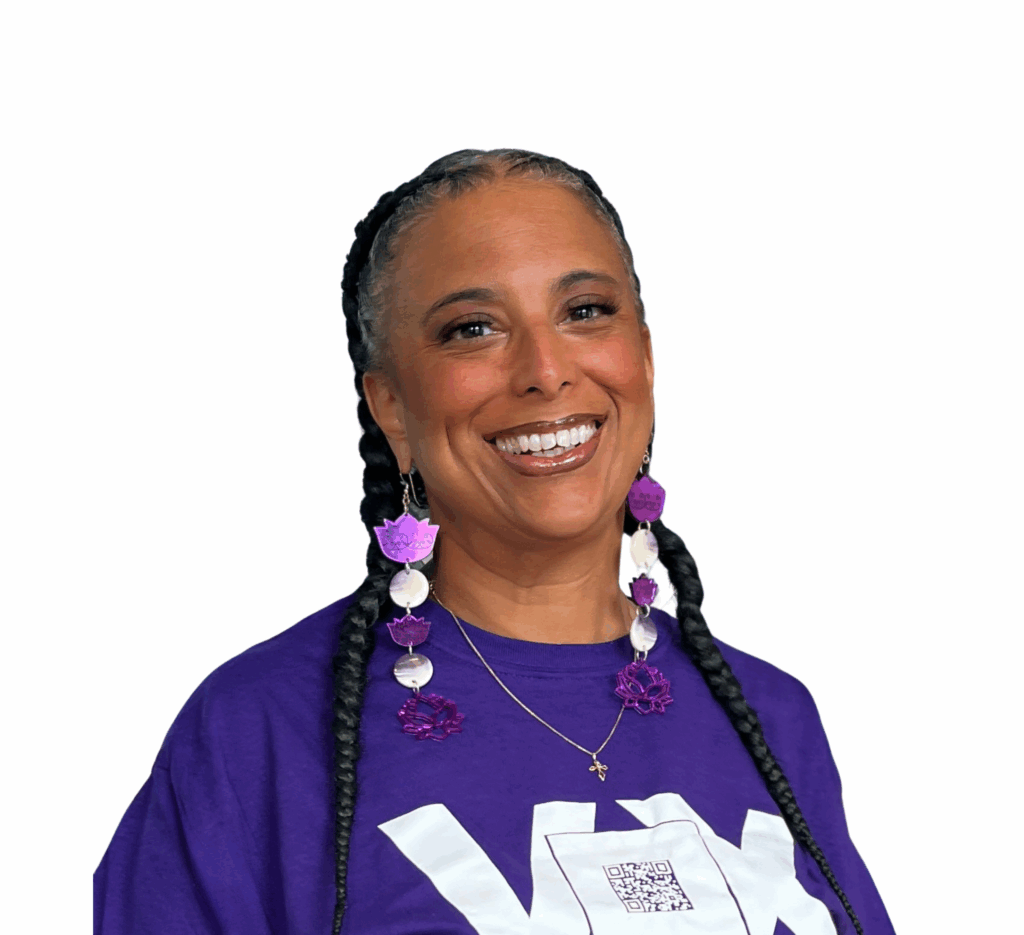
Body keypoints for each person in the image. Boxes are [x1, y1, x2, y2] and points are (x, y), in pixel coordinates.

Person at [94, 149, 895, 935]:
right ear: (392, 407)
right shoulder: (258, 732)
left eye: (585, 311)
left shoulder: (771, 716)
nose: (545, 370)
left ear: (644, 360)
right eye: (472, 329)